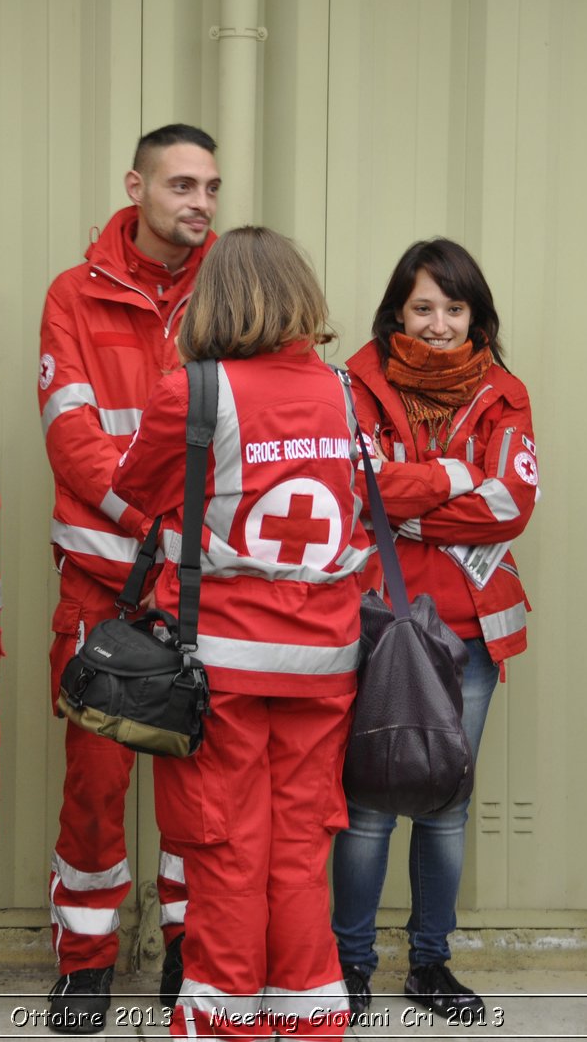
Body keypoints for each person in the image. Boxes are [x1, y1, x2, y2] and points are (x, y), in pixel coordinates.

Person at [111, 226, 366, 1040]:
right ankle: (310, 1019)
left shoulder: (195, 390)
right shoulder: (347, 390)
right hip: (325, 663)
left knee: (225, 849)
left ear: (213, 300)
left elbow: (135, 489)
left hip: (215, 664)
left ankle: (224, 1025)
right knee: (299, 850)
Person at [37, 123, 219, 1031]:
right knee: (96, 785)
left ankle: (191, 950)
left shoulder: (235, 288)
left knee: (198, 787)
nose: (200, 203)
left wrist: (189, 551)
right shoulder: (73, 295)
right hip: (104, 586)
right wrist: (159, 531)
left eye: (211, 188)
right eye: (182, 184)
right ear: (135, 186)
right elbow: (73, 442)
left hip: (207, 591)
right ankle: (86, 960)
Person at [331, 238, 537, 1023]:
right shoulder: (352, 386)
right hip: (377, 624)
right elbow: (355, 489)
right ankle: (348, 964)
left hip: (469, 631)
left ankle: (430, 962)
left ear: (476, 314)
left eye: (455, 308)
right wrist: (457, 477)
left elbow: (511, 503)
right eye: (424, 307)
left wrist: (409, 494)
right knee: (368, 806)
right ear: (396, 312)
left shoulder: (505, 392)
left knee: (443, 806)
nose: (442, 323)